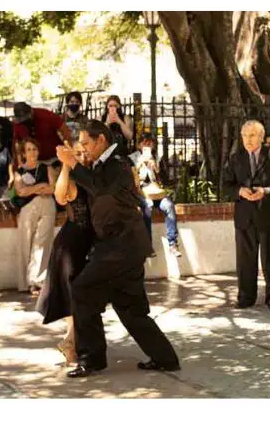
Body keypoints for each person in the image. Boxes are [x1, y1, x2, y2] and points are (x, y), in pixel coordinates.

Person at [56, 120, 180, 378]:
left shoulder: (118, 163)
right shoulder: (102, 165)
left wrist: (72, 163)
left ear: (101, 140)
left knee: (82, 289)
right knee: (130, 308)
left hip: (120, 246)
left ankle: (92, 359)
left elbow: (99, 187)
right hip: (121, 247)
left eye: (87, 143)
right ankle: (165, 358)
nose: (85, 149)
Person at [221, 120, 270, 310]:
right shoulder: (235, 158)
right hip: (244, 217)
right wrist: (239, 192)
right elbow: (225, 186)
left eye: (252, 135)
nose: (248, 139)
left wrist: (266, 191)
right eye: (245, 135)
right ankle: (246, 297)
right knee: (245, 261)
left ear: (261, 137)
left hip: (268, 215)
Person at [37, 141, 95, 365]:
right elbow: (60, 198)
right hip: (70, 244)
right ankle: (71, 341)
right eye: (76, 153)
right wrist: (65, 165)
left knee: (80, 295)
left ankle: (72, 343)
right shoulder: (70, 179)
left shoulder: (93, 176)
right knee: (71, 294)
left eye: (83, 152)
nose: (80, 156)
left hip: (89, 243)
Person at [13, 138, 57, 293]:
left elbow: (53, 189)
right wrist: (40, 186)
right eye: (29, 149)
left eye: (35, 149)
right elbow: (20, 191)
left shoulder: (47, 168)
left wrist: (31, 189)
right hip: (28, 208)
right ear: (24, 153)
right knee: (26, 242)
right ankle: (24, 282)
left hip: (47, 205)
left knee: (42, 242)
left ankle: (36, 281)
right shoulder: (19, 172)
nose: (32, 152)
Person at [131, 134, 181, 257]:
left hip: (156, 192)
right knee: (147, 206)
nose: (147, 145)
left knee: (169, 205)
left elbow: (166, 181)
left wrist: (157, 170)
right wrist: (139, 166)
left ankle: (172, 243)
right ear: (139, 145)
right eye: (144, 143)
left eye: (150, 143)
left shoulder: (157, 158)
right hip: (141, 192)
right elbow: (130, 181)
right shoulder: (132, 158)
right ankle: (148, 245)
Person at [12, 102, 74, 166]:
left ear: (31, 112)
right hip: (33, 161)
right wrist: (20, 162)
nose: (25, 121)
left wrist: (69, 150)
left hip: (54, 158)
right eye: (22, 121)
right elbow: (18, 144)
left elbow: (64, 129)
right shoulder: (16, 124)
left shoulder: (45, 115)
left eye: (27, 118)